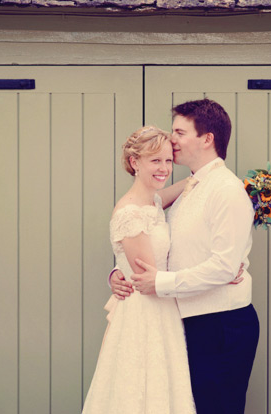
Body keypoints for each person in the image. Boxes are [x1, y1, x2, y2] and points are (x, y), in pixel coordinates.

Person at [111, 99, 260, 414]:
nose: (172, 138)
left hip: (220, 324)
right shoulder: (189, 187)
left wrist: (160, 282)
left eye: (179, 132)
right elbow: (153, 238)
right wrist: (120, 271)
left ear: (207, 138)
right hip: (187, 323)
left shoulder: (226, 190)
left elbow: (224, 266)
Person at [82, 126, 196, 414]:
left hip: (162, 309)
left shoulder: (153, 200)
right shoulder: (129, 213)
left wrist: (204, 178)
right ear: (135, 163)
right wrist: (216, 271)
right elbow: (148, 277)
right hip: (145, 312)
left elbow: (183, 187)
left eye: (169, 160)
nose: (165, 168)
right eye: (155, 160)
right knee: (140, 388)